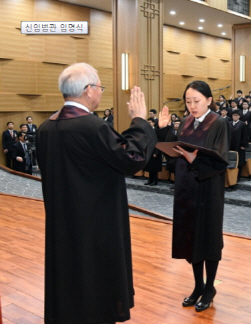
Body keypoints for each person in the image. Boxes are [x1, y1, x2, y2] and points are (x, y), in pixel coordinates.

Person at [37, 63, 158, 324]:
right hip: (96, 226)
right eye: (100, 87)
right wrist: (140, 120)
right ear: (88, 90)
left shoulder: (45, 128)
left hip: (62, 224)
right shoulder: (91, 127)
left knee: (68, 282)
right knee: (96, 285)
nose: (101, 92)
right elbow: (132, 157)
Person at [157, 81, 229, 312]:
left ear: (208, 100)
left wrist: (194, 159)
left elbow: (220, 161)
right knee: (191, 239)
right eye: (188, 102)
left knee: (208, 239)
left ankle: (210, 288)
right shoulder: (186, 121)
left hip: (208, 190)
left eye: (196, 101)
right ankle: (198, 285)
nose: (192, 106)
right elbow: (174, 150)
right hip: (187, 189)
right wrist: (163, 130)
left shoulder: (219, 123)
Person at [143, 118, 163, 186]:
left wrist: (156, 152)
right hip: (148, 151)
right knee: (149, 167)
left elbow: (158, 142)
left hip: (155, 151)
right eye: (148, 122)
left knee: (154, 167)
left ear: (154, 123)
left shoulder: (157, 131)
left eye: (150, 122)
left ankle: (155, 181)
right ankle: (150, 180)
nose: (149, 124)